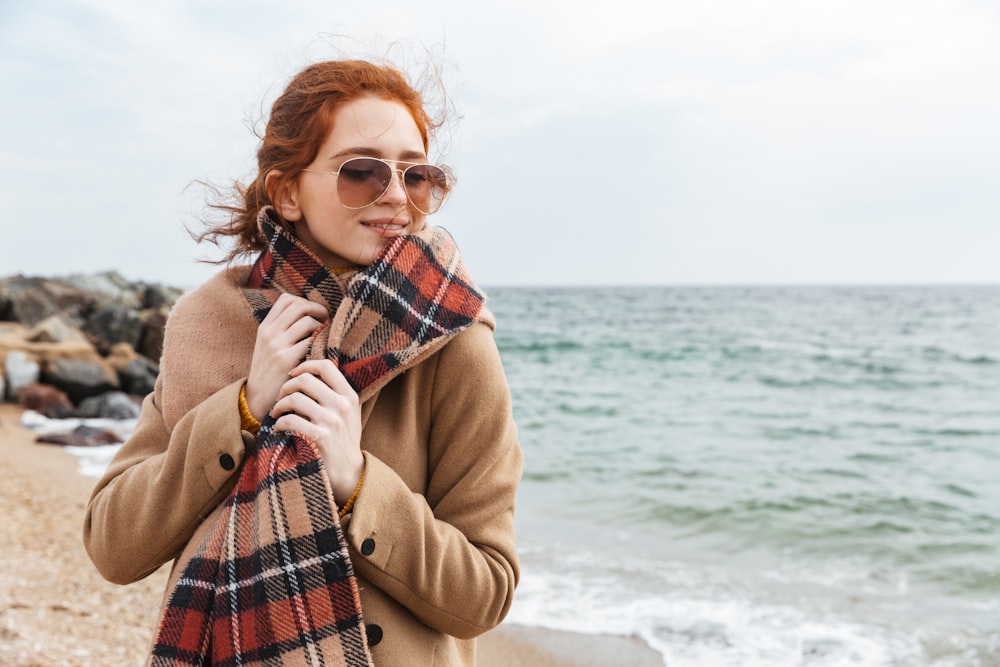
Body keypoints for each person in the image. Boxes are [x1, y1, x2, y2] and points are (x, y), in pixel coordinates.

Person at [83, 59, 522, 667]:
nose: (396, 196)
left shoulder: (455, 342)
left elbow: (487, 592)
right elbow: (112, 545)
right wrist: (241, 408)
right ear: (288, 191)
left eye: (416, 175)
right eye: (361, 171)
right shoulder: (208, 323)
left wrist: (357, 484)